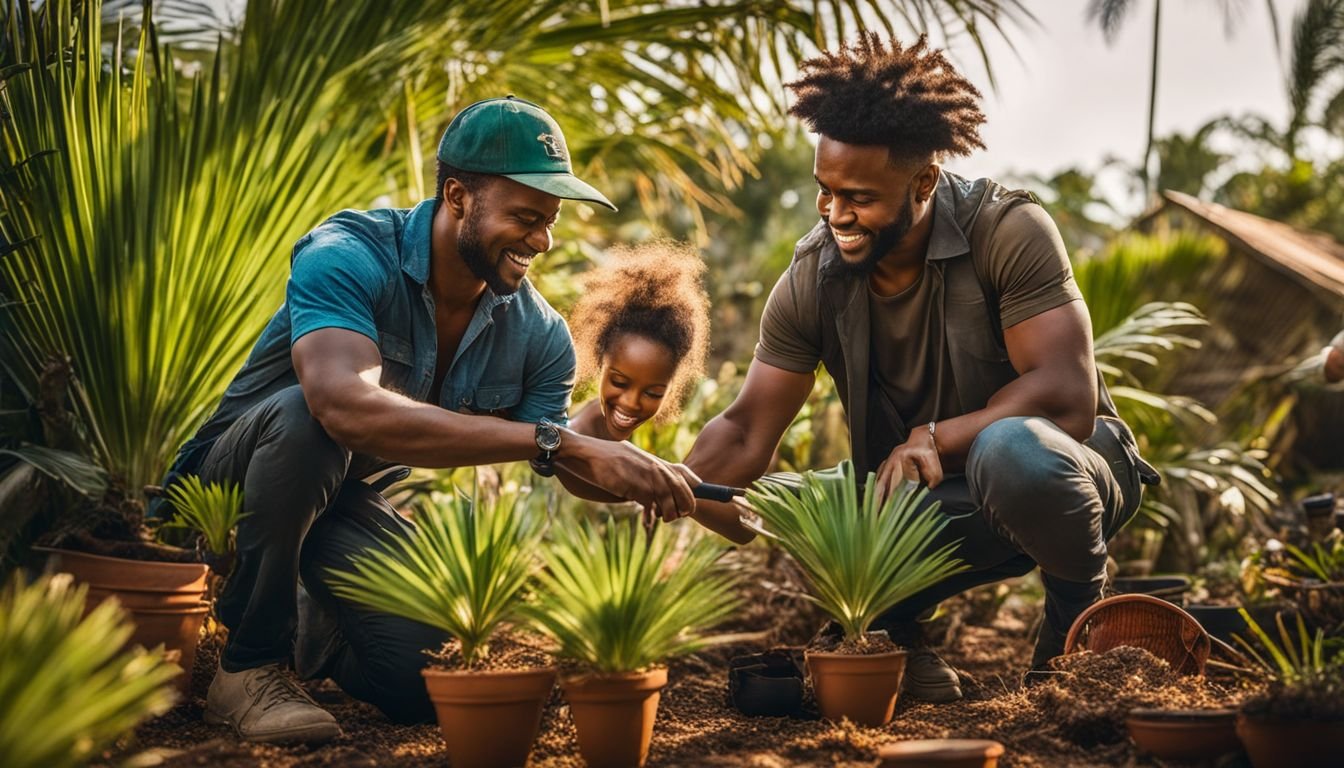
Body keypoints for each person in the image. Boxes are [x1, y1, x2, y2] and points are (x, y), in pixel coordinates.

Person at [158, 96, 701, 743]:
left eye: (550, 222)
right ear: (457, 196)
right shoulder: (348, 252)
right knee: (309, 420)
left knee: (425, 679)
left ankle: (313, 628)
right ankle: (248, 665)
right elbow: (344, 407)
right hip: (226, 489)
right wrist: (565, 443)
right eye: (526, 217)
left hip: (335, 506)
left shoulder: (539, 335)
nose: (542, 241)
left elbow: (554, 454)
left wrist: (633, 468)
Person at [682, 35, 1158, 702]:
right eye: (825, 191)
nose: (835, 215)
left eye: (859, 197)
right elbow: (743, 430)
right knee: (810, 507)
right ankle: (897, 641)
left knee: (1011, 448)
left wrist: (935, 436)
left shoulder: (1007, 230)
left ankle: (1075, 632)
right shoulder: (813, 276)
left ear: (923, 182)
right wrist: (676, 483)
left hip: (1068, 474)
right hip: (930, 502)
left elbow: (1066, 398)